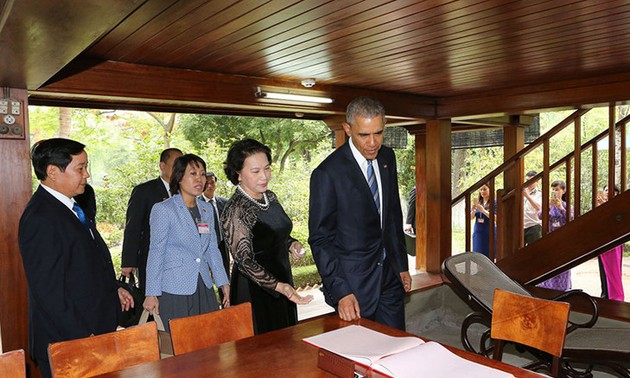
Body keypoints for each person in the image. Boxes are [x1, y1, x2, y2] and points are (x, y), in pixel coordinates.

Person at [18, 138, 134, 378]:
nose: (87, 175)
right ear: (52, 172)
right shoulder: (41, 217)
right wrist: (84, 335)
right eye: (80, 168)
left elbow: (86, 261)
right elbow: (48, 291)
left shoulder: (71, 206)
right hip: (70, 338)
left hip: (94, 328)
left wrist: (113, 288)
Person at [308, 96, 411, 331]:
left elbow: (392, 214)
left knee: (396, 349)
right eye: (364, 135)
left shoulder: (388, 158)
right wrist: (341, 290)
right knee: (359, 359)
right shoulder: (327, 173)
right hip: (354, 285)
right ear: (347, 129)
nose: (373, 142)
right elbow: (320, 240)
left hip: (390, 278)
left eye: (379, 133)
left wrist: (401, 264)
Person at [221, 139, 313, 334]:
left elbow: (274, 232)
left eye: (267, 168)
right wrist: (278, 286)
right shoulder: (235, 209)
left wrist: (292, 243)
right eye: (255, 171)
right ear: (238, 174)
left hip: (282, 279)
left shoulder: (269, 196)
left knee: (287, 343)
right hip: (255, 288)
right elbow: (243, 261)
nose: (264, 176)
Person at [143, 154, 229, 332]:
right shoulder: (164, 209)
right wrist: (151, 293)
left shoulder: (205, 209)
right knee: (181, 346)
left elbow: (212, 249)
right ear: (180, 177)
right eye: (193, 173)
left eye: (202, 174)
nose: (200, 179)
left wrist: (223, 283)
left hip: (203, 286)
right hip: (174, 288)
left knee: (208, 340)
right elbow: (156, 252)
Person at [121, 148, 183, 294]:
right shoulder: (144, 191)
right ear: (162, 166)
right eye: (176, 165)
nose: (180, 170)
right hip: (152, 259)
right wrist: (128, 262)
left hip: (180, 260)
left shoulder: (186, 192)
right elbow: (133, 227)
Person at [537, 179, 572, 291]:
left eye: (557, 189)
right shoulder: (548, 205)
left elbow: (571, 218)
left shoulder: (567, 206)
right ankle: (548, 288)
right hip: (549, 238)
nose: (555, 192)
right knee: (549, 265)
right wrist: (548, 205)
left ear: (563, 191)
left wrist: (560, 207)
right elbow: (540, 216)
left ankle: (562, 288)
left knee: (562, 267)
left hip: (563, 240)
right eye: (553, 189)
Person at [596, 184, 625, 301]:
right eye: (606, 190)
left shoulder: (619, 205)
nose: (608, 192)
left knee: (613, 272)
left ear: (617, 193)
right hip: (601, 241)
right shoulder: (601, 205)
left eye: (611, 190)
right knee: (603, 271)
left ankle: (615, 298)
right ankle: (605, 295)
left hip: (613, 242)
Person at [200, 171, 230, 279]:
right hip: (205, 246)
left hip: (222, 244)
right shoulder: (197, 204)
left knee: (225, 276)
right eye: (206, 183)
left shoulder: (225, 203)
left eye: (212, 182)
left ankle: (226, 296)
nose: (209, 186)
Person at [470, 183, 494, 258]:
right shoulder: (478, 203)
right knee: (477, 256)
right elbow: (470, 218)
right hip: (478, 232)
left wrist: (483, 211)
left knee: (488, 256)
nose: (482, 191)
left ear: (490, 190)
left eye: (485, 189)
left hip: (489, 231)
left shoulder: (494, 203)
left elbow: (496, 218)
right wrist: (473, 210)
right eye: (481, 190)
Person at [523, 170, 542, 246]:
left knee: (535, 251)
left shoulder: (540, 194)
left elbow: (538, 207)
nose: (529, 182)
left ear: (537, 181)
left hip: (534, 226)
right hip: (521, 226)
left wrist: (527, 196)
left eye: (532, 180)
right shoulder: (521, 192)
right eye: (527, 180)